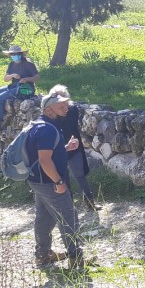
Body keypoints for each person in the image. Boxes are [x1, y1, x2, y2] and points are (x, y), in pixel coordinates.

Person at [27, 88, 89, 269]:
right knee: (68, 217)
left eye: (65, 104)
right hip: (49, 182)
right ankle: (75, 258)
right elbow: (45, 161)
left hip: (37, 180)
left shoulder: (39, 125)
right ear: (48, 110)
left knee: (44, 217)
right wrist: (59, 182)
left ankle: (43, 255)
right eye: (60, 105)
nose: (65, 107)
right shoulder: (47, 129)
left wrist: (65, 148)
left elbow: (44, 153)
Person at [47, 85, 101, 211]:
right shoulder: (53, 113)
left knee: (79, 175)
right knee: (64, 177)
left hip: (71, 146)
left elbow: (66, 125)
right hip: (60, 147)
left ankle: (89, 203)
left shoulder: (71, 110)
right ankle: (69, 206)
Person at [0, 45, 39, 134]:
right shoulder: (11, 64)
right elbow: (5, 79)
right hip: (13, 85)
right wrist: (12, 75)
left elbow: (37, 77)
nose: (15, 56)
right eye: (13, 54)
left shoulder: (28, 64)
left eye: (17, 54)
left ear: (21, 54)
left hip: (25, 88)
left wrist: (26, 79)